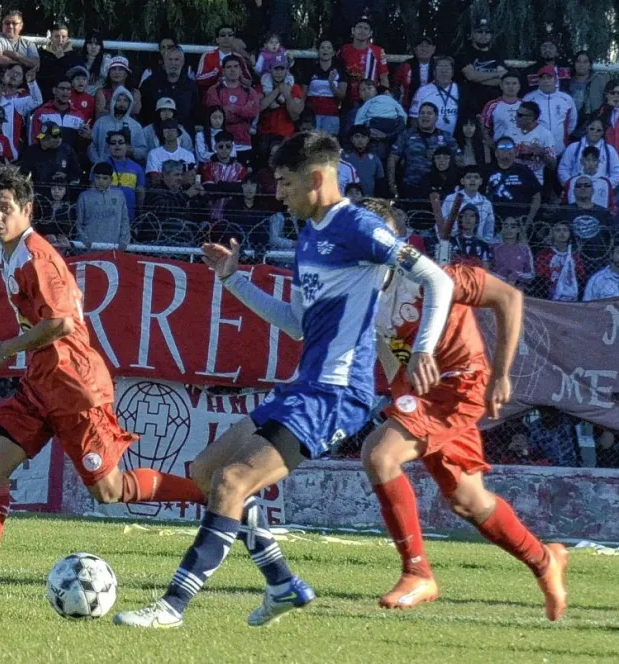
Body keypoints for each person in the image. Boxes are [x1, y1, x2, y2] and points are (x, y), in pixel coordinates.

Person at [112, 132, 455, 629]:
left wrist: (423, 349)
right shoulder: (309, 235)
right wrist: (234, 279)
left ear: (317, 178)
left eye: (284, 181)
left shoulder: (358, 226)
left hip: (338, 392)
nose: (278, 193)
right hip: (304, 385)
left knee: (233, 481)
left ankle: (172, 606)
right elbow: (297, 323)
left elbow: (437, 279)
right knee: (207, 470)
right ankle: (282, 584)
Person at [0, 166, 205, 593]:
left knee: (108, 491)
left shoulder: (37, 259)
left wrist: (5, 348)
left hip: (74, 386)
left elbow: (57, 323)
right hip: (42, 383)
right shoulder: (10, 252)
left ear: (27, 209)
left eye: (5, 208)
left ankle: (211, 494)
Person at [358, 198, 568, 620]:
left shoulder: (439, 277)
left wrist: (501, 375)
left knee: (379, 456)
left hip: (460, 387)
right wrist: (399, 394)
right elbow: (385, 344)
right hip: (422, 394)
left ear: (397, 239)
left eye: (377, 232)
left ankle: (418, 573)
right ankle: (545, 559)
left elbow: (509, 298)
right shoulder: (363, 287)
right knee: (469, 502)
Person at [523, 66, 577, 156]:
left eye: (549, 77)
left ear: (555, 80)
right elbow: (523, 123)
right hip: (535, 152)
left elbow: (572, 122)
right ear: (538, 81)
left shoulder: (566, 99)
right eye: (542, 78)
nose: (546, 81)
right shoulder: (528, 99)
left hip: (560, 151)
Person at [409, 56, 461, 136]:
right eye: (440, 67)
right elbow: (414, 118)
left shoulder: (460, 90)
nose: (444, 70)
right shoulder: (422, 91)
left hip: (455, 140)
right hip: (429, 140)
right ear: (434, 72)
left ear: (453, 72)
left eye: (447, 67)